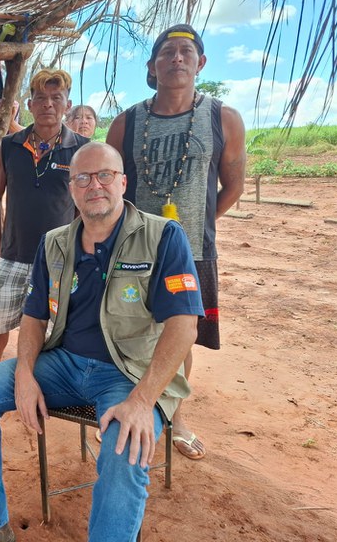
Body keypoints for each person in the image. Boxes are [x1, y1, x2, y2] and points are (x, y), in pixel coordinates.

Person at [0, 142, 205, 542]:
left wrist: (141, 401)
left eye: (104, 175)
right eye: (82, 178)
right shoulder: (54, 243)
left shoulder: (163, 236)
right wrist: (26, 373)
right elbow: (34, 316)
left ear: (122, 182)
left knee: (125, 442)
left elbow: (184, 326)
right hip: (64, 364)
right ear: (71, 189)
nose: (93, 185)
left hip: (130, 375)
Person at [106, 24, 246, 460]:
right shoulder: (127, 122)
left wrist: (191, 229)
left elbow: (233, 187)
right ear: (152, 66)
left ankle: (176, 416)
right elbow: (111, 188)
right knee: (127, 328)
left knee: (180, 337)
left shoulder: (223, 118)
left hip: (193, 253)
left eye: (187, 52)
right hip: (132, 251)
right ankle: (123, 404)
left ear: (201, 63)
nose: (177, 59)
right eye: (167, 53)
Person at [0, 68, 89, 365]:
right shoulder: (10, 145)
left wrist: (81, 248)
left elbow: (86, 206)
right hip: (13, 253)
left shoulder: (81, 150)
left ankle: (36, 380)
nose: (48, 105)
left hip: (59, 257)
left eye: (56, 98)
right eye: (41, 98)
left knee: (52, 327)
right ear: (29, 104)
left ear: (67, 106)